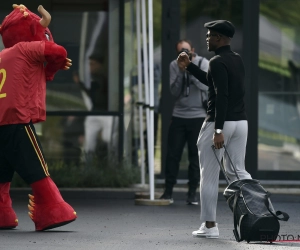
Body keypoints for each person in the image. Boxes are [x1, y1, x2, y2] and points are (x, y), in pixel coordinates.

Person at [0, 4, 77, 230]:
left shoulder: (4, 55)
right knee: (37, 169)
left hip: (1, 121)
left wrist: (47, 71)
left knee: (2, 174)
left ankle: (3, 214)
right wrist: (53, 68)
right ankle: (52, 210)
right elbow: (58, 52)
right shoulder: (26, 48)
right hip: (18, 120)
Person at [177, 20, 252, 238]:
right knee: (238, 172)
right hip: (240, 123)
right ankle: (258, 212)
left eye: (210, 35)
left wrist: (218, 130)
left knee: (209, 176)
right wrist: (190, 66)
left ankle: (210, 226)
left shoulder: (217, 61)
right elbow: (214, 84)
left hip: (219, 123)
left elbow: (221, 97)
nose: (207, 39)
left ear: (219, 38)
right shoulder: (236, 59)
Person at [160, 39, 209, 205]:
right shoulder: (174, 65)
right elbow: (173, 91)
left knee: (195, 156)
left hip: (198, 116)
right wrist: (181, 71)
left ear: (193, 50)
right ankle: (168, 191)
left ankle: (192, 193)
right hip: (179, 115)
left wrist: (191, 70)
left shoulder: (203, 63)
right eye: (181, 52)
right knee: (173, 154)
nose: (184, 54)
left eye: (187, 51)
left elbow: (206, 86)